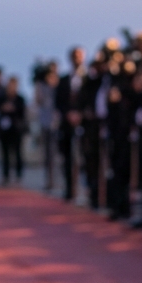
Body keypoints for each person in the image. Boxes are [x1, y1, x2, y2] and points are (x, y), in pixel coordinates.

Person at [54, 46, 89, 200]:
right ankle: (70, 190)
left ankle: (88, 191)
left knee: (86, 158)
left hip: (86, 124)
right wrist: (68, 114)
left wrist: (81, 114)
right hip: (66, 124)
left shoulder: (89, 78)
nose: (77, 59)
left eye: (80, 56)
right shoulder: (63, 80)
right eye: (75, 56)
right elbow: (58, 102)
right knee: (67, 158)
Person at [31, 60, 58, 189]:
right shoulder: (41, 86)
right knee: (47, 153)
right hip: (45, 123)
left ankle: (58, 180)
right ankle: (50, 180)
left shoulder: (59, 86)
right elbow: (38, 100)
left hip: (57, 123)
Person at [0, 76, 27, 184]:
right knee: (5, 153)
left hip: (16, 129)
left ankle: (18, 175)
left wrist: (13, 109)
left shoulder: (20, 99)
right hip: (4, 130)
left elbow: (22, 113)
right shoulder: (2, 98)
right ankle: (5, 175)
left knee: (18, 152)